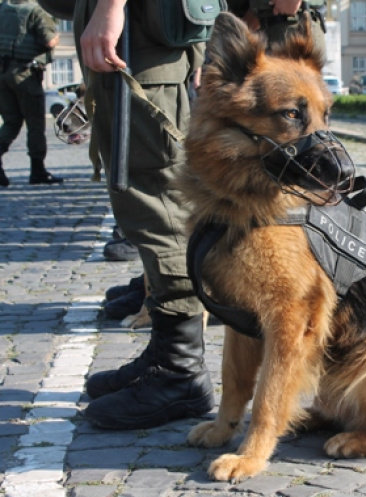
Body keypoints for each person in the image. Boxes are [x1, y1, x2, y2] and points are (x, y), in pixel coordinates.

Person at [72, 0, 326, 430]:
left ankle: (179, 367)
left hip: (150, 30)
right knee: (152, 191)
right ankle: (171, 352)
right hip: (156, 27)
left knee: (151, 188)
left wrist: (110, 5)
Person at [0, 0, 62, 187]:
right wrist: (57, 36)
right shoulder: (36, 11)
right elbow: (49, 40)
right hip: (25, 75)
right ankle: (38, 170)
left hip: (2, 73)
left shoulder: (2, 8)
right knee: (35, 124)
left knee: (11, 122)